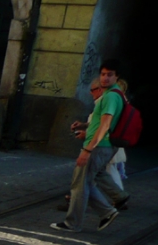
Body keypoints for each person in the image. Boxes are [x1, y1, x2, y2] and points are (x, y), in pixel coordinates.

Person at [51, 60, 124, 232]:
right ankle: (107, 211)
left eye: (110, 74)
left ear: (116, 76)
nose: (105, 78)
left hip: (99, 146)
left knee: (79, 184)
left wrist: (87, 149)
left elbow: (105, 125)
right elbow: (99, 122)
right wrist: (84, 126)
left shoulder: (111, 96)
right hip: (103, 146)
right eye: (103, 74)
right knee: (85, 183)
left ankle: (73, 223)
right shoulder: (114, 94)